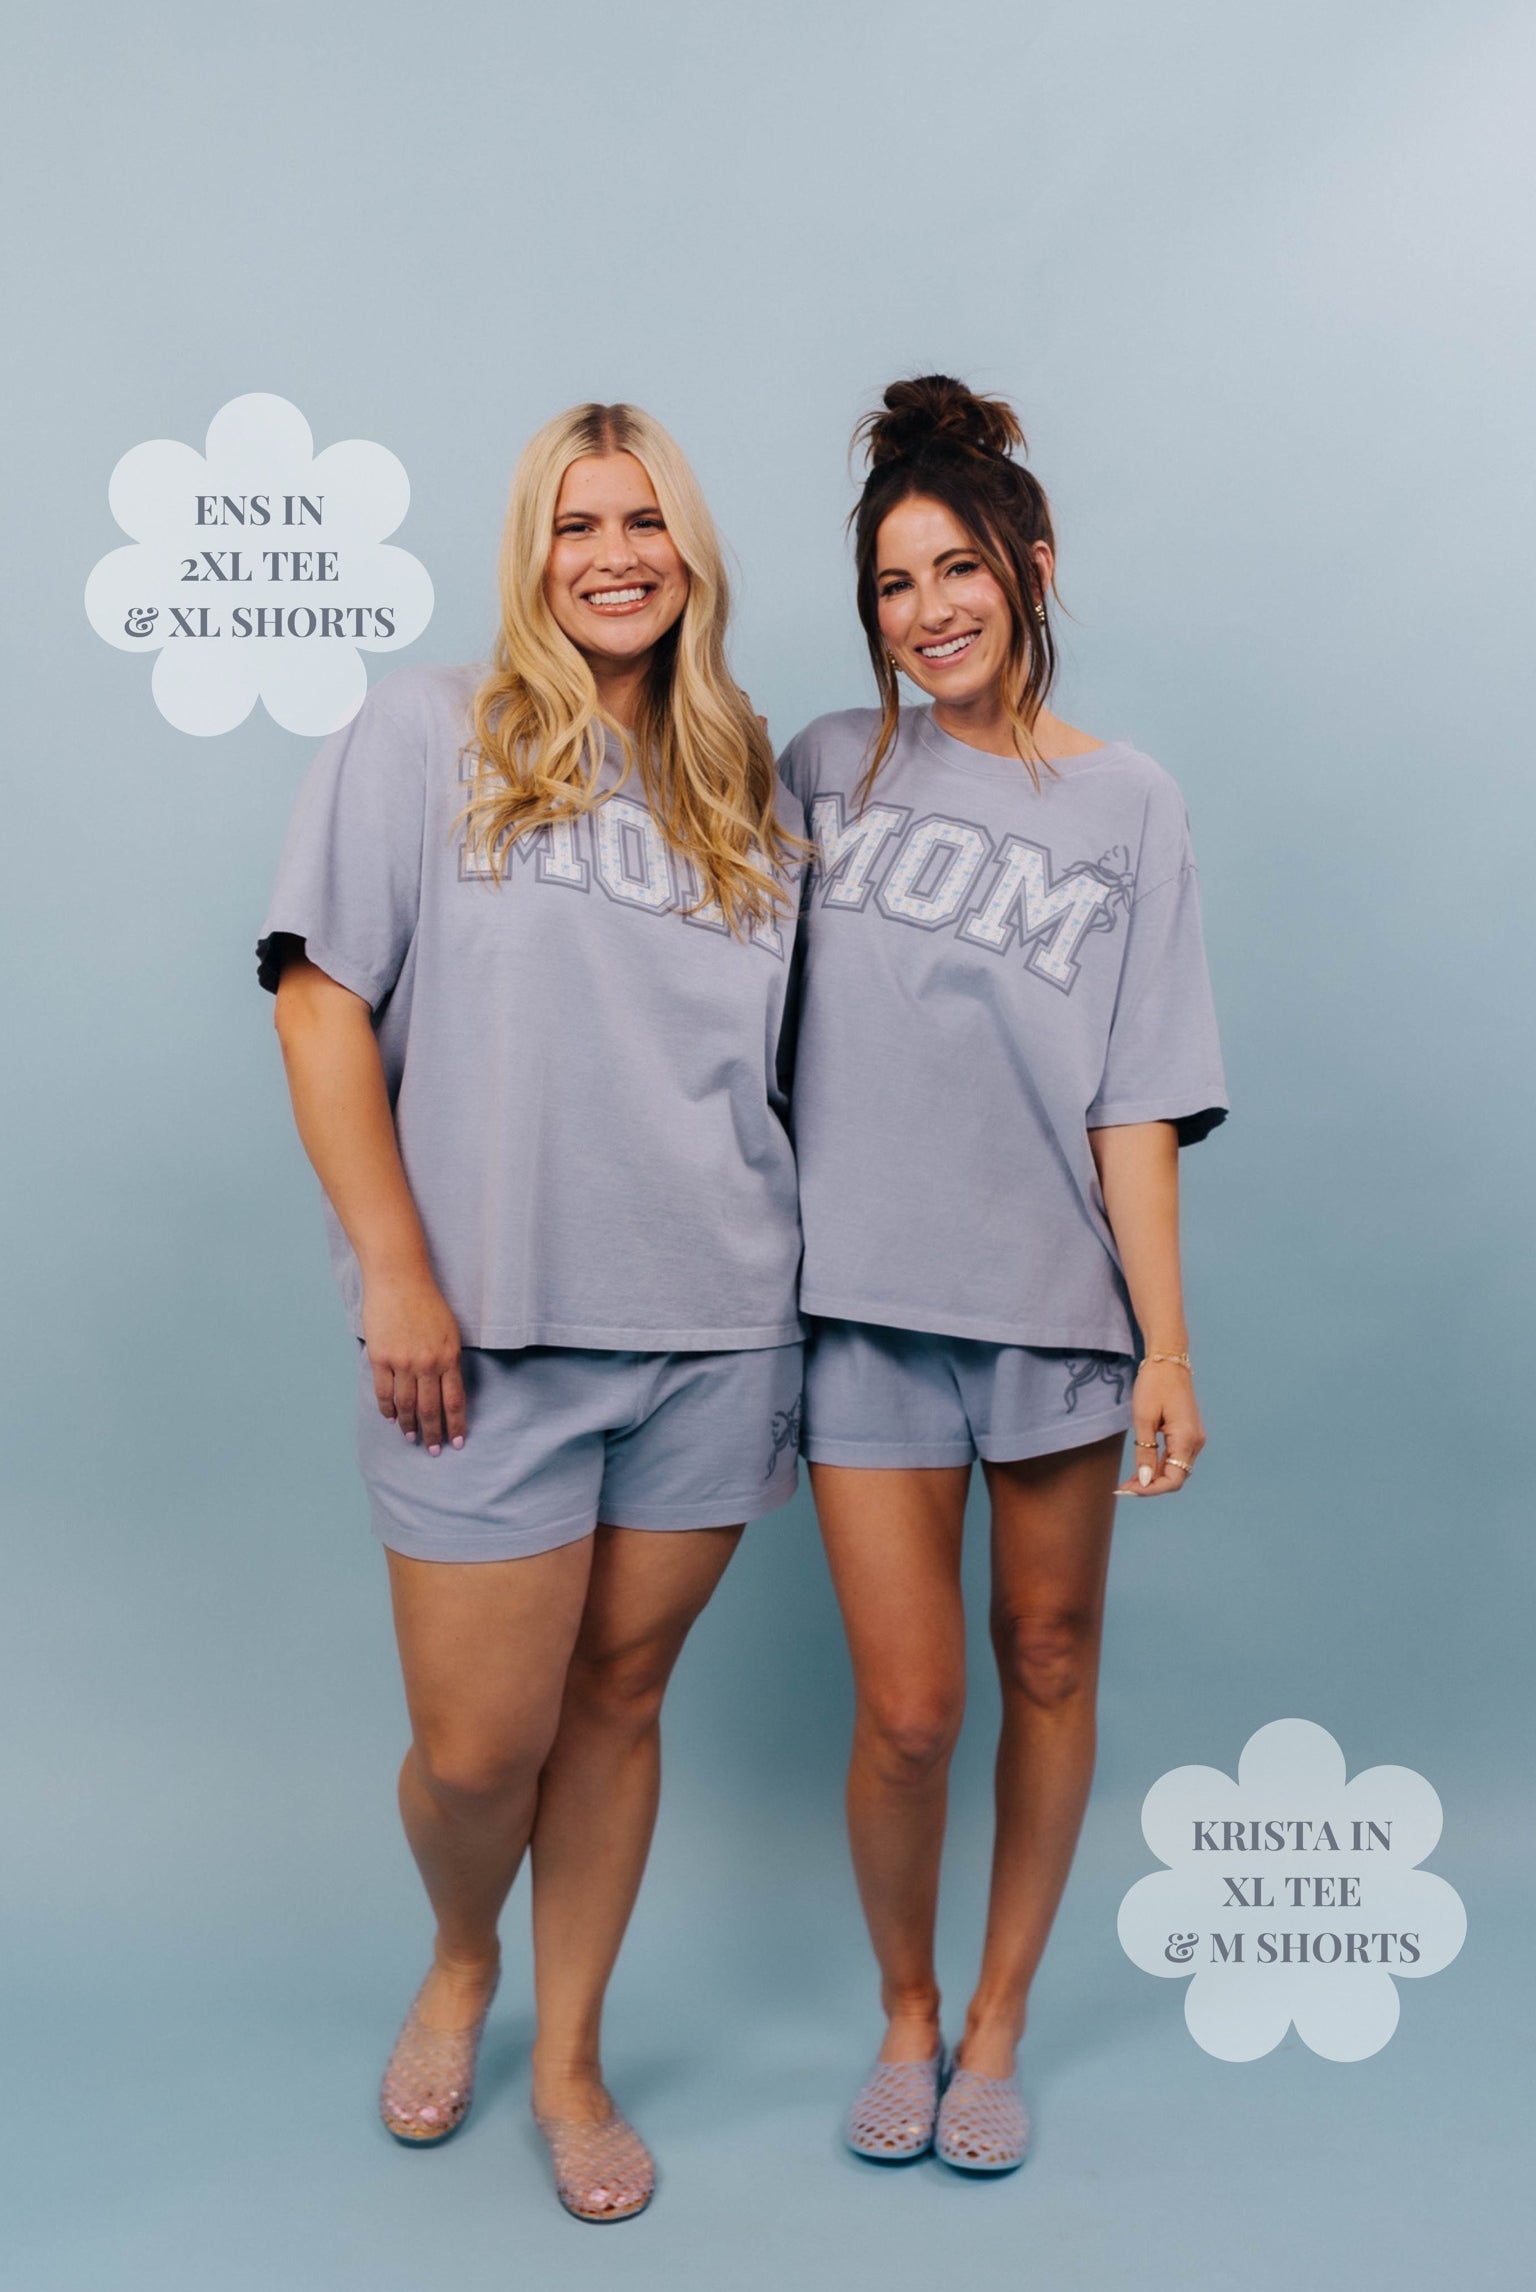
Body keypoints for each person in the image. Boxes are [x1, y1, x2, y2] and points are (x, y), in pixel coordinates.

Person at [258, 402, 806, 2222]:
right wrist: (399, 1269)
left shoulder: (752, 786)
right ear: (531, 553)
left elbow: (801, 1078)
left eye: (645, 519)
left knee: (620, 1702)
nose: (614, 555)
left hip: (720, 1330)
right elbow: (319, 1003)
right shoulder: (428, 734)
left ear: (692, 549)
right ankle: (462, 1949)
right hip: (479, 1345)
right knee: (486, 1748)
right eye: (576, 525)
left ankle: (567, 2059)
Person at [778, 375, 1228, 2174]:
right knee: (909, 1708)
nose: (930, 609)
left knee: (1047, 1652)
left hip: (1057, 1316)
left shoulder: (1133, 805)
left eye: (959, 567)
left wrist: (1170, 1348)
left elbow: (1135, 1099)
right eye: (895, 583)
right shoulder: (828, 767)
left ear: (1033, 566)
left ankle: (997, 2023)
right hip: (862, 1311)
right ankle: (905, 2007)